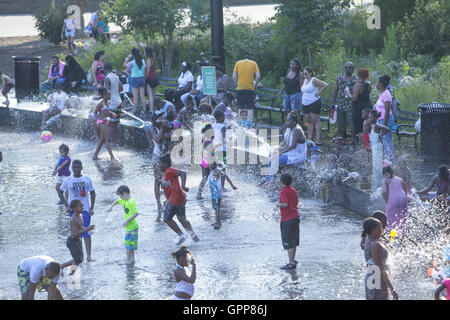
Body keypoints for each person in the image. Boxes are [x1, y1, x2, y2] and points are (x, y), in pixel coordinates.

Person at [60, 159, 96, 262]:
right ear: (72, 169)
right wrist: (66, 205)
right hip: (72, 210)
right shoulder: (68, 180)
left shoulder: (86, 179)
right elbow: (60, 191)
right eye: (74, 167)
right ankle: (79, 254)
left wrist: (92, 207)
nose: (76, 169)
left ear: (81, 168)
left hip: (84, 210)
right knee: (75, 232)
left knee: (85, 232)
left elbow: (93, 193)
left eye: (78, 167)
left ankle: (89, 255)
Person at [159, 155, 199, 245]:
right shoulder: (165, 175)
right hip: (178, 197)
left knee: (167, 218)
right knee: (181, 218)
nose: (158, 165)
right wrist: (167, 200)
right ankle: (194, 238)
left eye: (160, 163)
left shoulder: (169, 171)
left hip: (176, 197)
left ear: (165, 164)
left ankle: (181, 235)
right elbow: (168, 189)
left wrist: (183, 186)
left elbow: (183, 173)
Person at [362, 217, 398, 300]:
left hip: (372, 277)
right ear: (373, 230)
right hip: (377, 278)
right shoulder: (375, 244)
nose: (382, 230)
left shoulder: (368, 239)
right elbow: (380, 268)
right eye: (380, 228)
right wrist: (392, 289)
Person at [61, 199, 96, 275]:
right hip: (72, 241)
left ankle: (63, 266)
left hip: (77, 240)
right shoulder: (74, 219)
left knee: (79, 259)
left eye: (82, 205)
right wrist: (88, 229)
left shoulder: (81, 215)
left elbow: (81, 228)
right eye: (80, 206)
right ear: (74, 209)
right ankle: (70, 275)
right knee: (77, 260)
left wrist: (89, 230)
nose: (83, 207)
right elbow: (75, 233)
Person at [107, 185, 139, 264]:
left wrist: (127, 221)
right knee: (131, 244)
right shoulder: (126, 200)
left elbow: (136, 213)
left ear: (124, 193)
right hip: (130, 227)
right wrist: (111, 207)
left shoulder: (131, 202)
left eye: (120, 196)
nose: (120, 198)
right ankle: (132, 259)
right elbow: (117, 201)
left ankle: (128, 260)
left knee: (128, 245)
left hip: (132, 227)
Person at [276, 173, 300, 270]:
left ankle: (291, 263)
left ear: (281, 182)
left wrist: (278, 204)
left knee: (288, 241)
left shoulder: (283, 191)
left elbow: (285, 204)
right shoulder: (293, 190)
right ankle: (293, 260)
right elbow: (297, 202)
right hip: (295, 217)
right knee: (294, 241)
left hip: (287, 219)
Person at [344, 67, 372, 147]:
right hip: (368, 107)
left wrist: (347, 93)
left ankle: (362, 146)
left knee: (359, 128)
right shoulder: (368, 84)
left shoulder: (358, 85)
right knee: (367, 126)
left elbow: (354, 98)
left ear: (358, 75)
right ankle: (368, 144)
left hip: (359, 108)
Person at [301, 66, 328, 146]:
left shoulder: (314, 80)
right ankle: (309, 139)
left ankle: (318, 140)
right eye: (303, 73)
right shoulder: (305, 80)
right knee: (309, 121)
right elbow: (303, 91)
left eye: (305, 73)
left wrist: (318, 93)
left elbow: (325, 85)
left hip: (314, 102)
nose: (304, 75)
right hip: (305, 103)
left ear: (310, 73)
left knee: (316, 120)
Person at [332, 62, 358, 142]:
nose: (351, 69)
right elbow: (335, 90)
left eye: (352, 68)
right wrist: (333, 102)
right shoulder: (339, 78)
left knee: (352, 125)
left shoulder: (355, 79)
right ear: (345, 68)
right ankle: (342, 142)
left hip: (351, 105)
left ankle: (352, 142)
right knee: (341, 125)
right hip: (341, 103)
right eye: (349, 67)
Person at [208, 161, 237, 229]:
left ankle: (218, 223)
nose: (208, 166)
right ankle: (217, 221)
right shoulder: (212, 171)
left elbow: (225, 176)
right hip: (213, 192)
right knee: (215, 207)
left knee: (217, 207)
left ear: (214, 165)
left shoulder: (217, 170)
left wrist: (232, 186)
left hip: (217, 192)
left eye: (210, 165)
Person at [232, 54, 260, 123]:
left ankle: (239, 123)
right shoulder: (254, 63)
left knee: (240, 106)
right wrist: (255, 85)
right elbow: (258, 77)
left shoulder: (238, 63)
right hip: (250, 89)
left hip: (240, 89)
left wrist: (236, 85)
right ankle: (249, 124)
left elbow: (234, 77)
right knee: (250, 107)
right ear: (249, 59)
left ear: (243, 59)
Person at [382, 166, 409, 236]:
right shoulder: (400, 179)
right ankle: (403, 235)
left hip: (393, 200)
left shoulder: (385, 180)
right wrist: (404, 199)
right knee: (402, 218)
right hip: (403, 199)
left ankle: (392, 237)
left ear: (384, 174)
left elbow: (384, 192)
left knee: (391, 219)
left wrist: (386, 201)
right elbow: (405, 191)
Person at [92, 87, 117, 161]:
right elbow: (95, 113)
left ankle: (95, 155)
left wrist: (112, 114)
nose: (110, 96)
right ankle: (112, 157)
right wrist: (100, 118)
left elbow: (107, 112)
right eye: (109, 95)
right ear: (104, 96)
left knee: (102, 140)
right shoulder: (100, 103)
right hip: (101, 122)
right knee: (107, 139)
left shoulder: (107, 103)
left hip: (105, 121)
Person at [368, 110, 390, 193]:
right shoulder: (373, 126)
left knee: (378, 167)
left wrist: (380, 135)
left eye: (371, 117)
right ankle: (376, 187)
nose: (369, 119)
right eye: (369, 117)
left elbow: (387, 129)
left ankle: (380, 187)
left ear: (376, 118)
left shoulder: (377, 125)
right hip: (374, 147)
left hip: (378, 147)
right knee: (375, 167)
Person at [375, 74, 395, 161]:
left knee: (387, 139)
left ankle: (389, 158)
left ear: (381, 84)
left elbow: (387, 110)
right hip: (382, 120)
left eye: (377, 83)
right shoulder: (383, 94)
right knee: (384, 138)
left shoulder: (387, 94)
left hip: (386, 120)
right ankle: (387, 157)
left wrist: (384, 124)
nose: (376, 84)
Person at [104, 62, 123, 143]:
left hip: (112, 103)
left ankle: (111, 142)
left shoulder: (107, 78)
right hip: (118, 101)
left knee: (111, 124)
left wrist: (105, 101)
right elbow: (121, 89)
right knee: (117, 122)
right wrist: (115, 92)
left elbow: (107, 92)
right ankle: (117, 142)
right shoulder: (116, 76)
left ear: (105, 69)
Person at [124, 47, 147, 114]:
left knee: (135, 96)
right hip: (142, 78)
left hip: (135, 79)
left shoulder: (132, 62)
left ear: (132, 54)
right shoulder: (143, 61)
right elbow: (145, 69)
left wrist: (128, 57)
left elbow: (125, 65)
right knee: (142, 96)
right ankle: (144, 110)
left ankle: (135, 110)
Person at [196, 124, 215, 200]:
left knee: (204, 178)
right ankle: (214, 194)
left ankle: (199, 194)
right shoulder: (208, 141)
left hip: (204, 161)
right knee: (213, 178)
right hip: (209, 161)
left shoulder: (206, 139)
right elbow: (210, 151)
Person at [144, 47, 159, 112]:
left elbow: (147, 71)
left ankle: (151, 110)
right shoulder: (153, 59)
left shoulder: (148, 60)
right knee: (154, 95)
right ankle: (155, 109)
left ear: (146, 52)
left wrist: (145, 79)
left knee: (150, 96)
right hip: (154, 78)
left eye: (144, 51)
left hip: (149, 79)